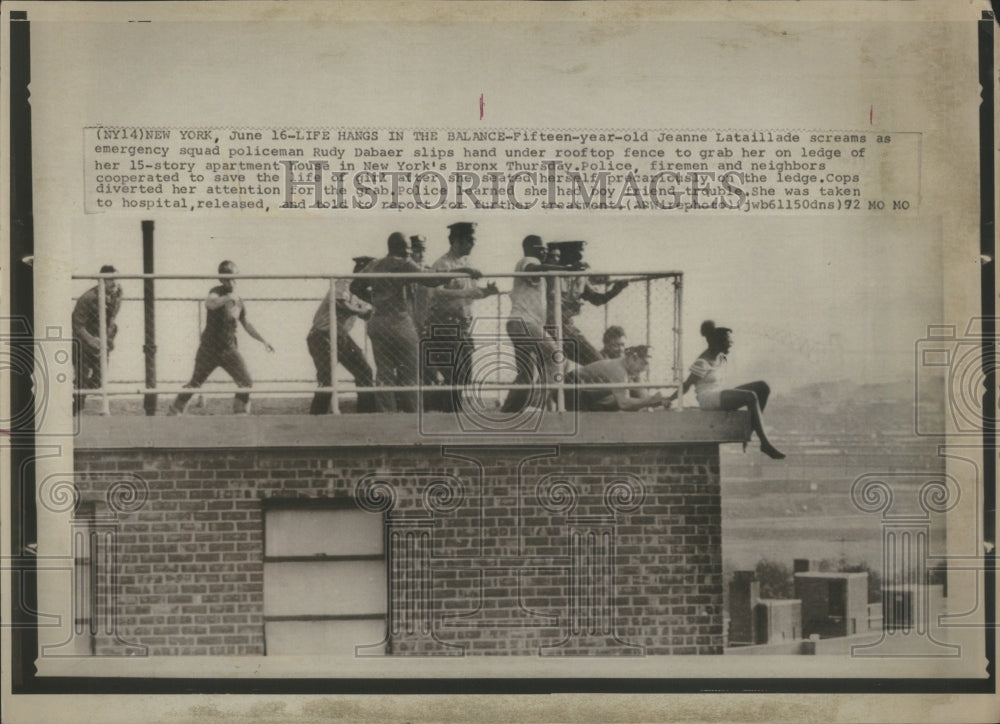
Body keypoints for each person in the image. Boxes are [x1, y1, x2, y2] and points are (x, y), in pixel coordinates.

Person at [351, 232, 475, 413]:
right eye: (408, 249)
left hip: (377, 321)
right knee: (410, 371)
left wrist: (375, 299)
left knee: (384, 372)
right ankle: (411, 417)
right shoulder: (403, 263)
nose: (410, 253)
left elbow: (354, 286)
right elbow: (431, 280)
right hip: (399, 320)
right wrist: (463, 272)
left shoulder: (374, 264)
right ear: (401, 249)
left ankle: (387, 416)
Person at [667, 320, 785, 460]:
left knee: (763, 387)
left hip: (720, 394)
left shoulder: (722, 357)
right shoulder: (702, 362)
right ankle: (764, 443)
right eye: (728, 342)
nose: (731, 345)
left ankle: (750, 433)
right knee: (751, 396)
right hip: (708, 398)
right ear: (717, 343)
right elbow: (686, 386)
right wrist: (668, 399)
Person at [169, 260, 274, 415]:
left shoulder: (239, 302)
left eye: (233, 278)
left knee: (246, 382)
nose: (231, 282)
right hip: (209, 349)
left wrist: (263, 340)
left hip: (229, 349)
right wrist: (226, 298)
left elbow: (247, 324)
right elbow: (210, 304)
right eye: (227, 279)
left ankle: (240, 415)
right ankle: (174, 412)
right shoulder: (217, 291)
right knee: (195, 383)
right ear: (221, 280)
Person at [422, 222, 498, 412]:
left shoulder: (467, 264)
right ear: (456, 241)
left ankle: (440, 405)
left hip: (462, 325)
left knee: (466, 373)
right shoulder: (442, 264)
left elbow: (469, 292)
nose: (472, 244)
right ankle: (449, 411)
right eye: (468, 240)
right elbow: (436, 293)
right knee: (453, 372)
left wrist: (484, 292)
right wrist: (468, 292)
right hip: (444, 325)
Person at [500, 235, 580, 414]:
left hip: (519, 324)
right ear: (530, 248)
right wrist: (564, 268)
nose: (544, 252)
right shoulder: (528, 261)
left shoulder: (540, 275)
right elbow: (534, 267)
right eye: (540, 248)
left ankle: (507, 412)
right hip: (524, 323)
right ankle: (534, 406)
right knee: (557, 358)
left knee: (526, 374)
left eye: (545, 249)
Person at [306, 256, 378, 414]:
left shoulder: (362, 291)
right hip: (322, 335)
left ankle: (367, 415)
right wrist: (362, 309)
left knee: (364, 371)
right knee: (327, 378)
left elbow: (366, 315)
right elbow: (340, 303)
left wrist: (371, 306)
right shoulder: (345, 282)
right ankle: (316, 418)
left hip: (340, 336)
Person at [545, 241, 629, 365]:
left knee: (596, 361)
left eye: (581, 254)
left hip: (567, 327)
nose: (580, 257)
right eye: (576, 254)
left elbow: (597, 299)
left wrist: (616, 290)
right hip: (549, 326)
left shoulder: (580, 277)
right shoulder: (550, 274)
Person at [72, 264, 123, 415]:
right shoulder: (88, 298)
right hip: (82, 341)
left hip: (101, 341)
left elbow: (112, 318)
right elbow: (77, 324)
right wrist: (91, 340)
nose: (114, 283)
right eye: (110, 280)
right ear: (100, 281)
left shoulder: (117, 294)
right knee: (81, 377)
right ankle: (76, 409)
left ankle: (79, 395)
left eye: (116, 279)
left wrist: (109, 338)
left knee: (100, 378)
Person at [565, 345, 665, 411]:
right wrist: (650, 401)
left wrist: (661, 401)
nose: (645, 369)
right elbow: (624, 403)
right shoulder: (618, 369)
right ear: (634, 358)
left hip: (586, 390)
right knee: (620, 401)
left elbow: (644, 398)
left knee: (631, 398)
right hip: (570, 388)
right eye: (644, 364)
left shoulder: (633, 369)